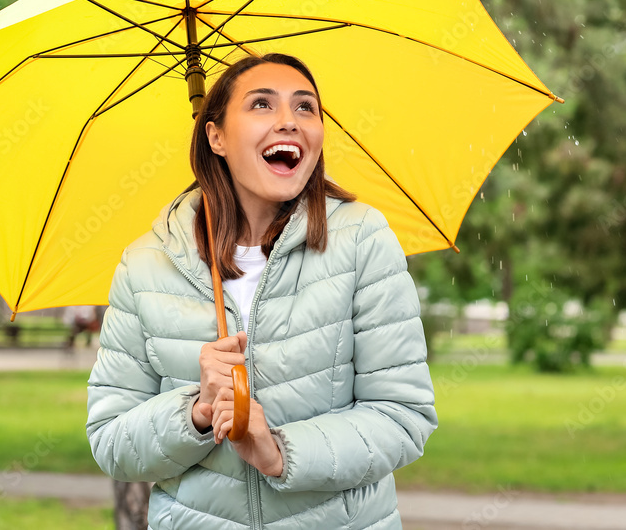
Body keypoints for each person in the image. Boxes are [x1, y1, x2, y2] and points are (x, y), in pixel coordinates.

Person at [86, 53, 437, 529]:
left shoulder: (361, 240)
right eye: (262, 105)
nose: (289, 122)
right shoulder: (145, 264)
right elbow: (111, 440)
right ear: (216, 136)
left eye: (306, 108)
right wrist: (198, 412)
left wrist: (276, 453)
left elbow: (402, 416)